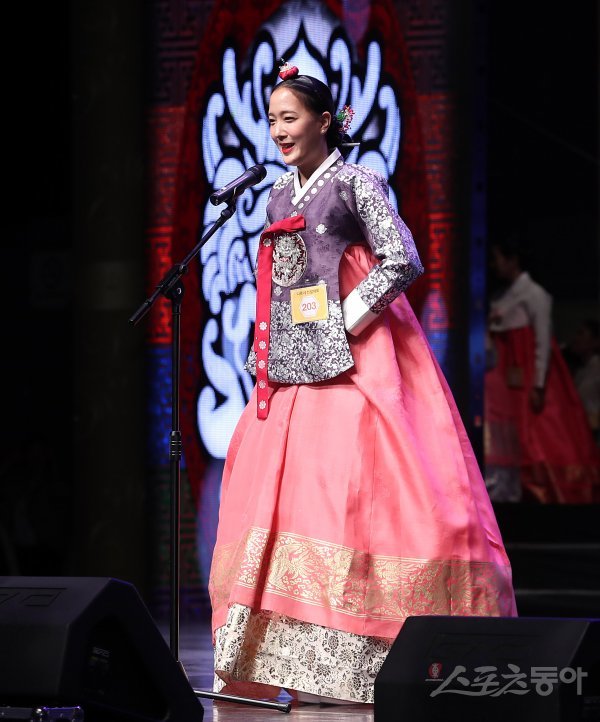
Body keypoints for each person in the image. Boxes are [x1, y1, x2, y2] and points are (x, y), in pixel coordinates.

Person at [208, 62, 517, 705]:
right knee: (294, 500)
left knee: (361, 493)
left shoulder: (356, 182)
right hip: (295, 365)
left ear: (324, 121)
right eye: (272, 120)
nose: (278, 131)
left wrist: (347, 320)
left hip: (360, 353)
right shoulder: (277, 195)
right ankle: (293, 660)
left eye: (290, 118)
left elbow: (403, 257)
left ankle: (375, 657)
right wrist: (270, 346)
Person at [484, 237, 600, 503]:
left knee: (540, 433)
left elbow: (543, 341)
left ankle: (545, 491)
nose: (493, 265)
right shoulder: (500, 296)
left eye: (498, 258)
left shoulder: (535, 294)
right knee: (508, 434)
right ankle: (509, 489)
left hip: (527, 376)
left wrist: (538, 383)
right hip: (504, 377)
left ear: (513, 260)